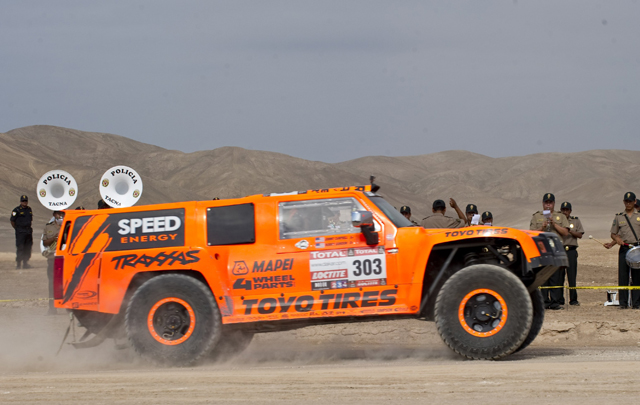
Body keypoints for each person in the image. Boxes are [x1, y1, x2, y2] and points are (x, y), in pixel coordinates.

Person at [530, 193, 570, 310]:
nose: (548, 205)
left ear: (554, 204)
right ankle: (543, 301)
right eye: (546, 202)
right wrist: (541, 227)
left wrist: (554, 224)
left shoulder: (560, 216)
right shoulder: (537, 216)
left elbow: (565, 232)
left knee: (555, 276)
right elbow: (531, 233)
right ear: (543, 203)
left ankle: (555, 302)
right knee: (543, 276)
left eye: (550, 202)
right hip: (542, 249)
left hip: (555, 249)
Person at [604, 192, 640, 309]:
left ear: (635, 202)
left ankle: (636, 303)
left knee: (637, 276)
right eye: (626, 201)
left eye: (630, 201)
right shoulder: (619, 217)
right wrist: (616, 239)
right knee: (623, 276)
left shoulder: (639, 215)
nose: (628, 203)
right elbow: (613, 233)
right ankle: (623, 303)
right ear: (624, 202)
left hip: (637, 249)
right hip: (624, 249)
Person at [560, 202, 584, 306]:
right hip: (560, 250)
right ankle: (559, 299)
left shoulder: (575, 220)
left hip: (571, 250)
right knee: (559, 277)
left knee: (572, 277)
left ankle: (573, 300)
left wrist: (569, 231)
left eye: (567, 210)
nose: (565, 212)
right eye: (563, 210)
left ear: (570, 211)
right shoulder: (558, 221)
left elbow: (580, 234)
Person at [42, 211, 64, 315]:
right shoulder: (48, 227)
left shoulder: (68, 225)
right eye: (57, 214)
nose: (59, 216)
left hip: (65, 259)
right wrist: (53, 239)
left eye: (61, 214)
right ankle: (52, 308)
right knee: (52, 284)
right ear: (54, 215)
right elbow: (44, 242)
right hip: (52, 259)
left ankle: (71, 309)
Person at [10, 195, 33, 269]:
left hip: (28, 231)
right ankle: (18, 264)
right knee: (20, 247)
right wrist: (17, 228)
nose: (24, 202)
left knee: (28, 247)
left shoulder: (29, 209)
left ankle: (25, 263)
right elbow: (12, 221)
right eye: (23, 201)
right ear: (20, 202)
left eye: (26, 201)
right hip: (20, 231)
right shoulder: (16, 210)